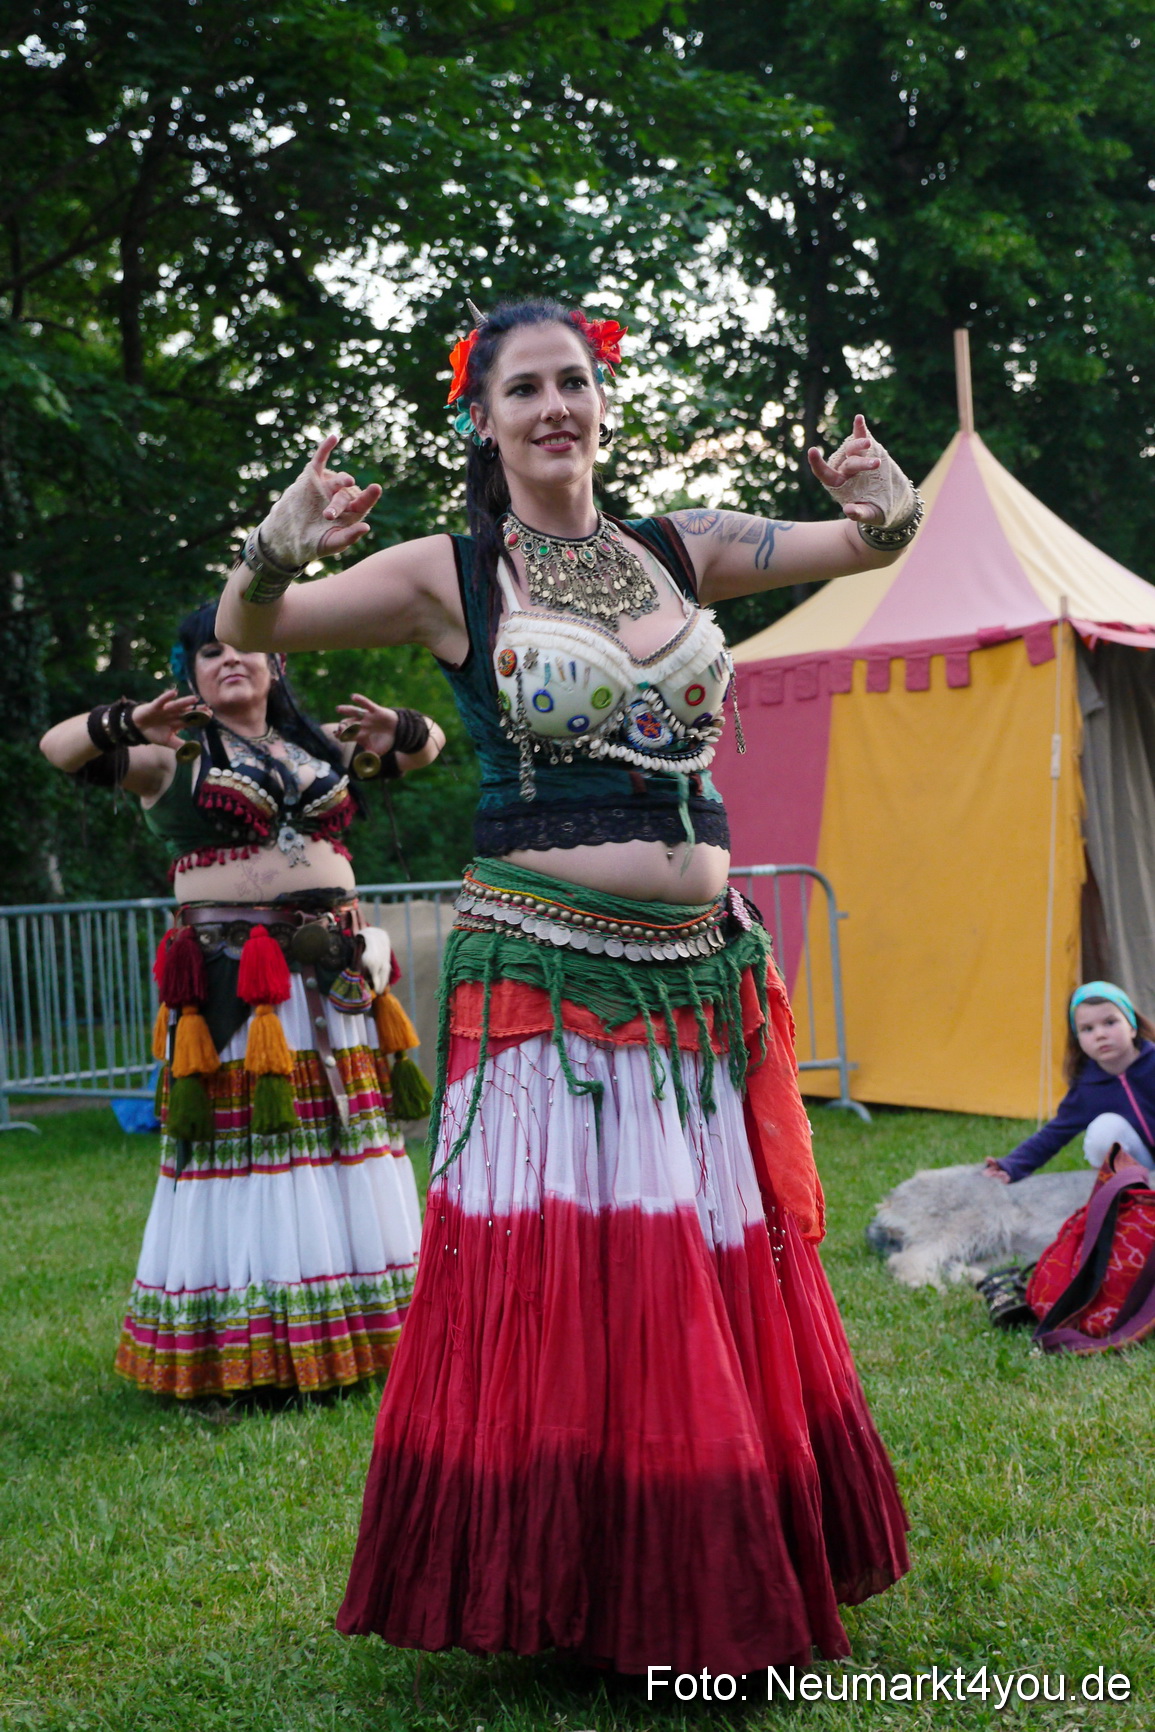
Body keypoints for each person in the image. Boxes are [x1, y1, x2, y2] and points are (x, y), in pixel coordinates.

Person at [215, 297, 919, 1673]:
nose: (551, 408)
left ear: (602, 402)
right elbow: (262, 625)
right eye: (520, 390)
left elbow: (857, 544)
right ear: (481, 421)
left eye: (571, 384)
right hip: (544, 970)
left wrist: (889, 510)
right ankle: (575, 1586)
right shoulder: (450, 576)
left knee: (698, 1269)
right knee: (584, 1278)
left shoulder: (684, 549)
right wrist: (267, 551)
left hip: (692, 979)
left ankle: (704, 1562)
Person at [39, 602, 445, 1400]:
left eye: (247, 648)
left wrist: (397, 724)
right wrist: (123, 720)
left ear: (278, 663)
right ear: (186, 673)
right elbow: (58, 750)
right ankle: (254, 1352)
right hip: (235, 991)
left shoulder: (321, 748)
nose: (231, 660)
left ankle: (366, 1339)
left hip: (336, 980)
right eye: (210, 652)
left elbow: (427, 749)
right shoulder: (170, 757)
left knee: (345, 1145)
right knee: (255, 1156)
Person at [985, 981, 1155, 1184]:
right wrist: (1011, 1165)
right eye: (1088, 1029)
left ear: (1132, 1027)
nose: (1100, 1034)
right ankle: (1128, 1197)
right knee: (1104, 1130)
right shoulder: (1087, 1088)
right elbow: (1055, 1133)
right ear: (1078, 1040)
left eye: (1110, 1022)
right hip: (1142, 1170)